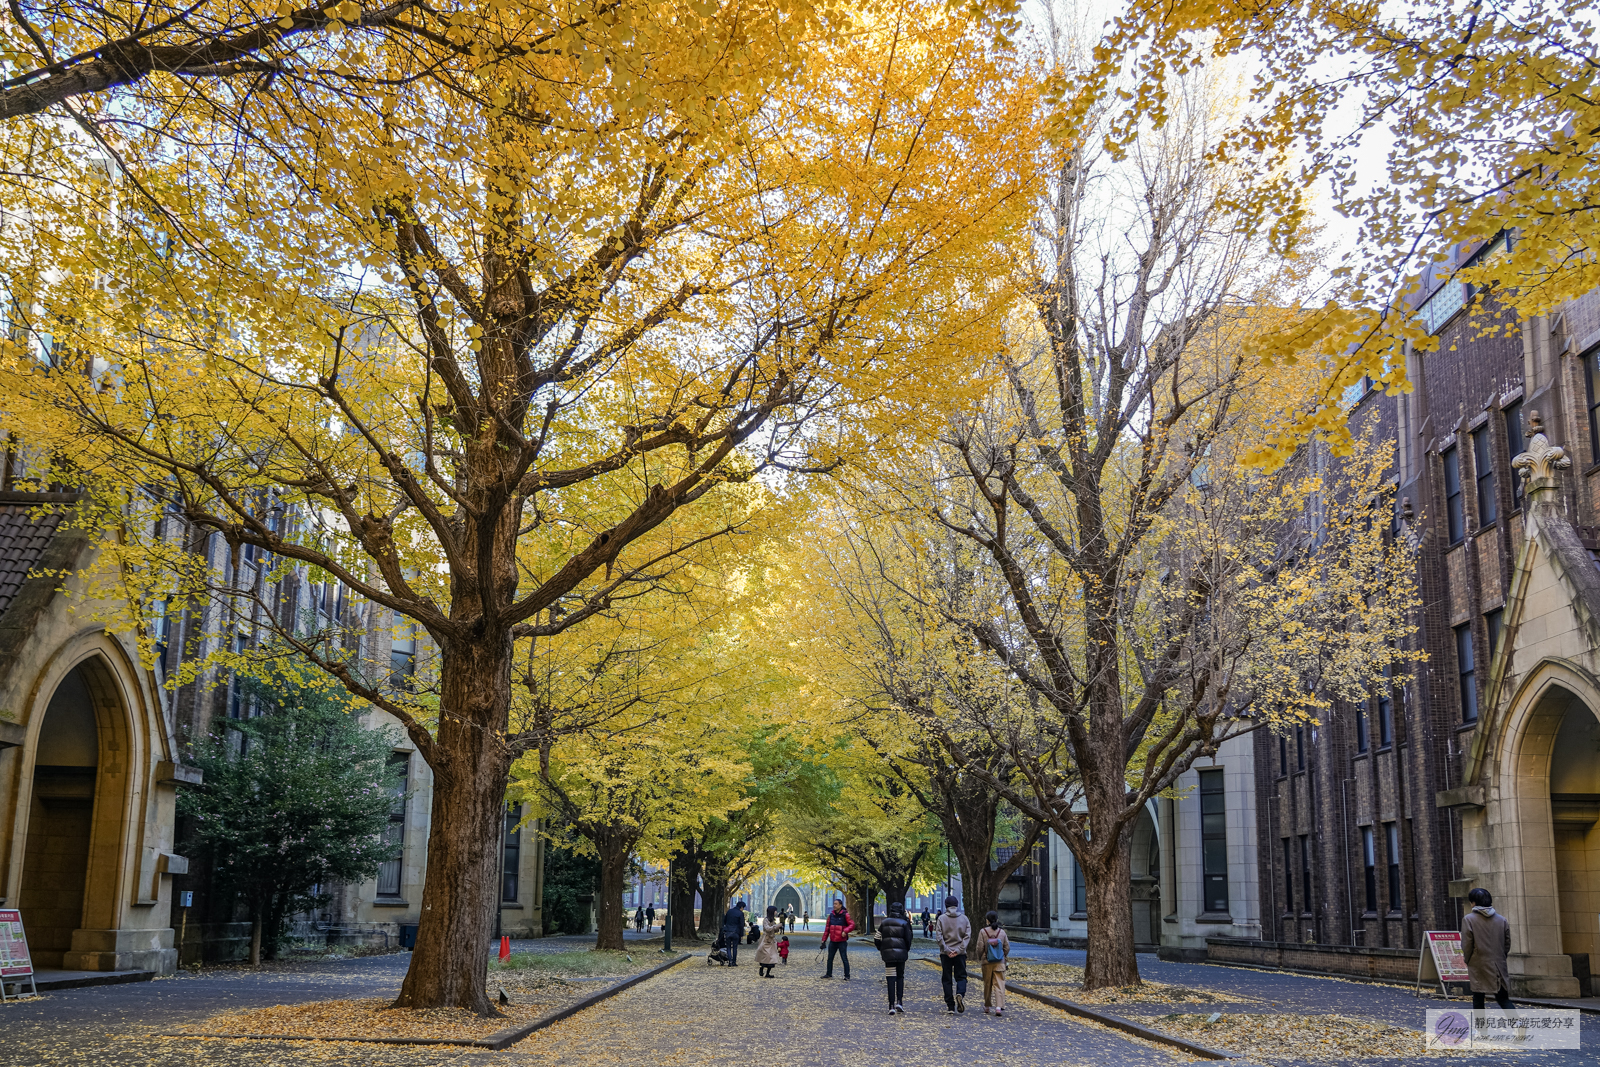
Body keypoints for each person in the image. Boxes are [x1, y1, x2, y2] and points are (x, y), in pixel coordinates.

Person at [1462, 887, 1514, 1012]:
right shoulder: (1501, 920)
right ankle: (1517, 1023)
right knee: (1502, 997)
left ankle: (1482, 1030)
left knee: (1478, 998)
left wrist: (1468, 959)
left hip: (1478, 963)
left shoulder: (1469, 919)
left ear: (1473, 903)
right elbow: (1507, 943)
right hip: (1498, 964)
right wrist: (1501, 956)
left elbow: (1467, 944)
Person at [873, 901, 914, 1014]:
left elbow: (876, 938)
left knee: (890, 978)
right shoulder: (904, 923)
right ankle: (899, 1002)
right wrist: (906, 949)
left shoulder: (884, 923)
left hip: (888, 955)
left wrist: (881, 949)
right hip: (901, 955)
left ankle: (891, 1005)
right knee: (900, 977)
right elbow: (909, 938)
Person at [934, 894, 971, 1014]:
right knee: (961, 976)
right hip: (960, 954)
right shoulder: (964, 919)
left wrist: (946, 949)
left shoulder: (941, 919)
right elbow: (967, 936)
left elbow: (939, 936)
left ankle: (950, 1006)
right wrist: (959, 949)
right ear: (957, 905)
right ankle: (960, 993)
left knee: (947, 978)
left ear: (946, 906)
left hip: (946, 954)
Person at [975, 910, 1010, 1017]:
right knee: (999, 984)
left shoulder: (983, 932)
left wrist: (981, 957)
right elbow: (1007, 947)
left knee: (987, 984)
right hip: (1000, 963)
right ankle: (998, 1007)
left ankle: (987, 1006)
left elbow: (979, 947)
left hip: (987, 962)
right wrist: (1002, 956)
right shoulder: (1002, 933)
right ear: (997, 920)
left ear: (987, 920)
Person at [820, 898, 855, 979]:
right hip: (833, 941)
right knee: (830, 958)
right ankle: (829, 974)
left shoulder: (845, 915)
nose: (834, 905)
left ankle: (847, 975)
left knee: (844, 958)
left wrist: (845, 931)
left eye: (836, 904)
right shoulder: (831, 916)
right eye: (834, 904)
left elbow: (852, 925)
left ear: (840, 905)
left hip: (842, 941)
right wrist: (824, 940)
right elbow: (827, 929)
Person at [756, 906, 783, 977]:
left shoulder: (772, 920)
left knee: (772, 957)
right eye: (775, 911)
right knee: (766, 955)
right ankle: (762, 968)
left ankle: (768, 973)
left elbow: (774, 930)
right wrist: (776, 926)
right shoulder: (766, 920)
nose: (776, 912)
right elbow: (767, 928)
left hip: (772, 941)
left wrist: (778, 928)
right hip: (766, 940)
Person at [720, 900, 748, 967]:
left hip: (728, 931)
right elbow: (741, 925)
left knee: (728, 947)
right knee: (735, 947)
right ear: (741, 907)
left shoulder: (729, 911)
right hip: (736, 932)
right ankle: (734, 962)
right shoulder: (740, 913)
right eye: (743, 908)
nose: (742, 909)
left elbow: (724, 921)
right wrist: (741, 934)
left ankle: (730, 961)